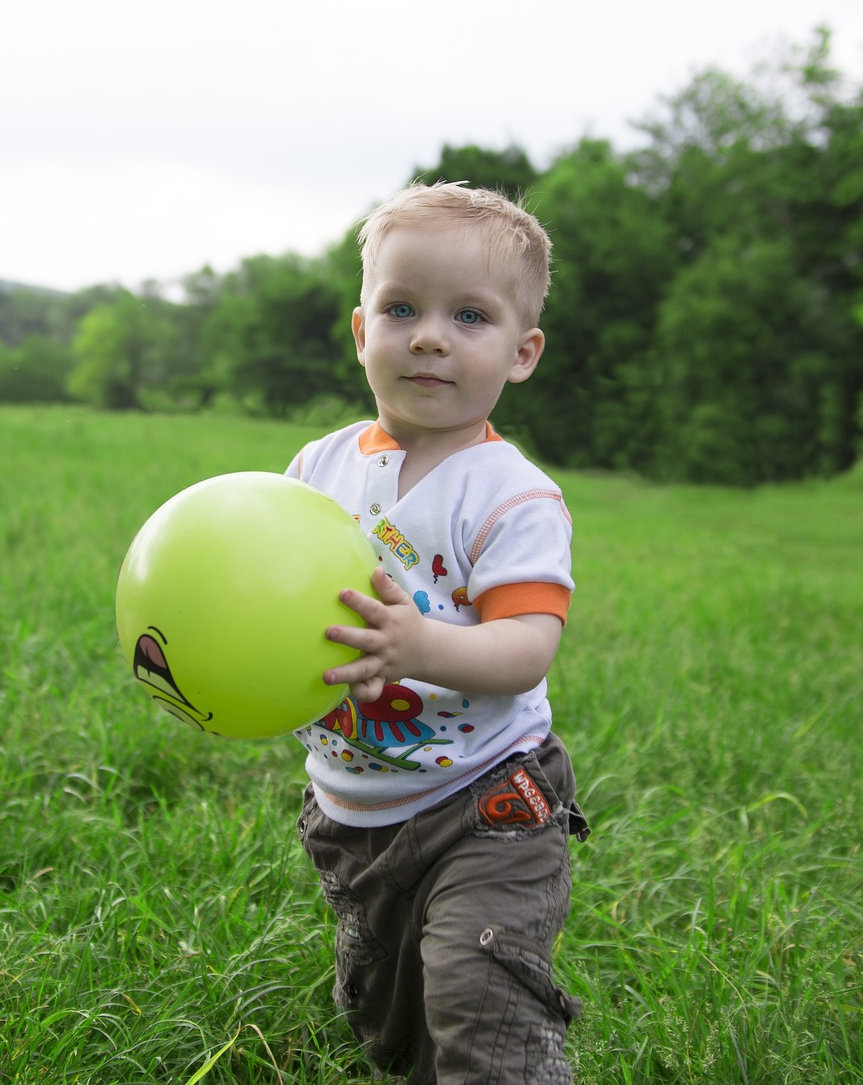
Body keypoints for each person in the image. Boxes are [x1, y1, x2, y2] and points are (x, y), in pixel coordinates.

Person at [285, 181, 586, 1084]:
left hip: (487, 803)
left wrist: (420, 647)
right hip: (353, 809)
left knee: (478, 993)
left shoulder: (510, 493)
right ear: (360, 328)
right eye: (403, 308)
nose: (428, 336)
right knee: (389, 1027)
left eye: (469, 316)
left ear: (521, 352)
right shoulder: (316, 468)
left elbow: (527, 645)